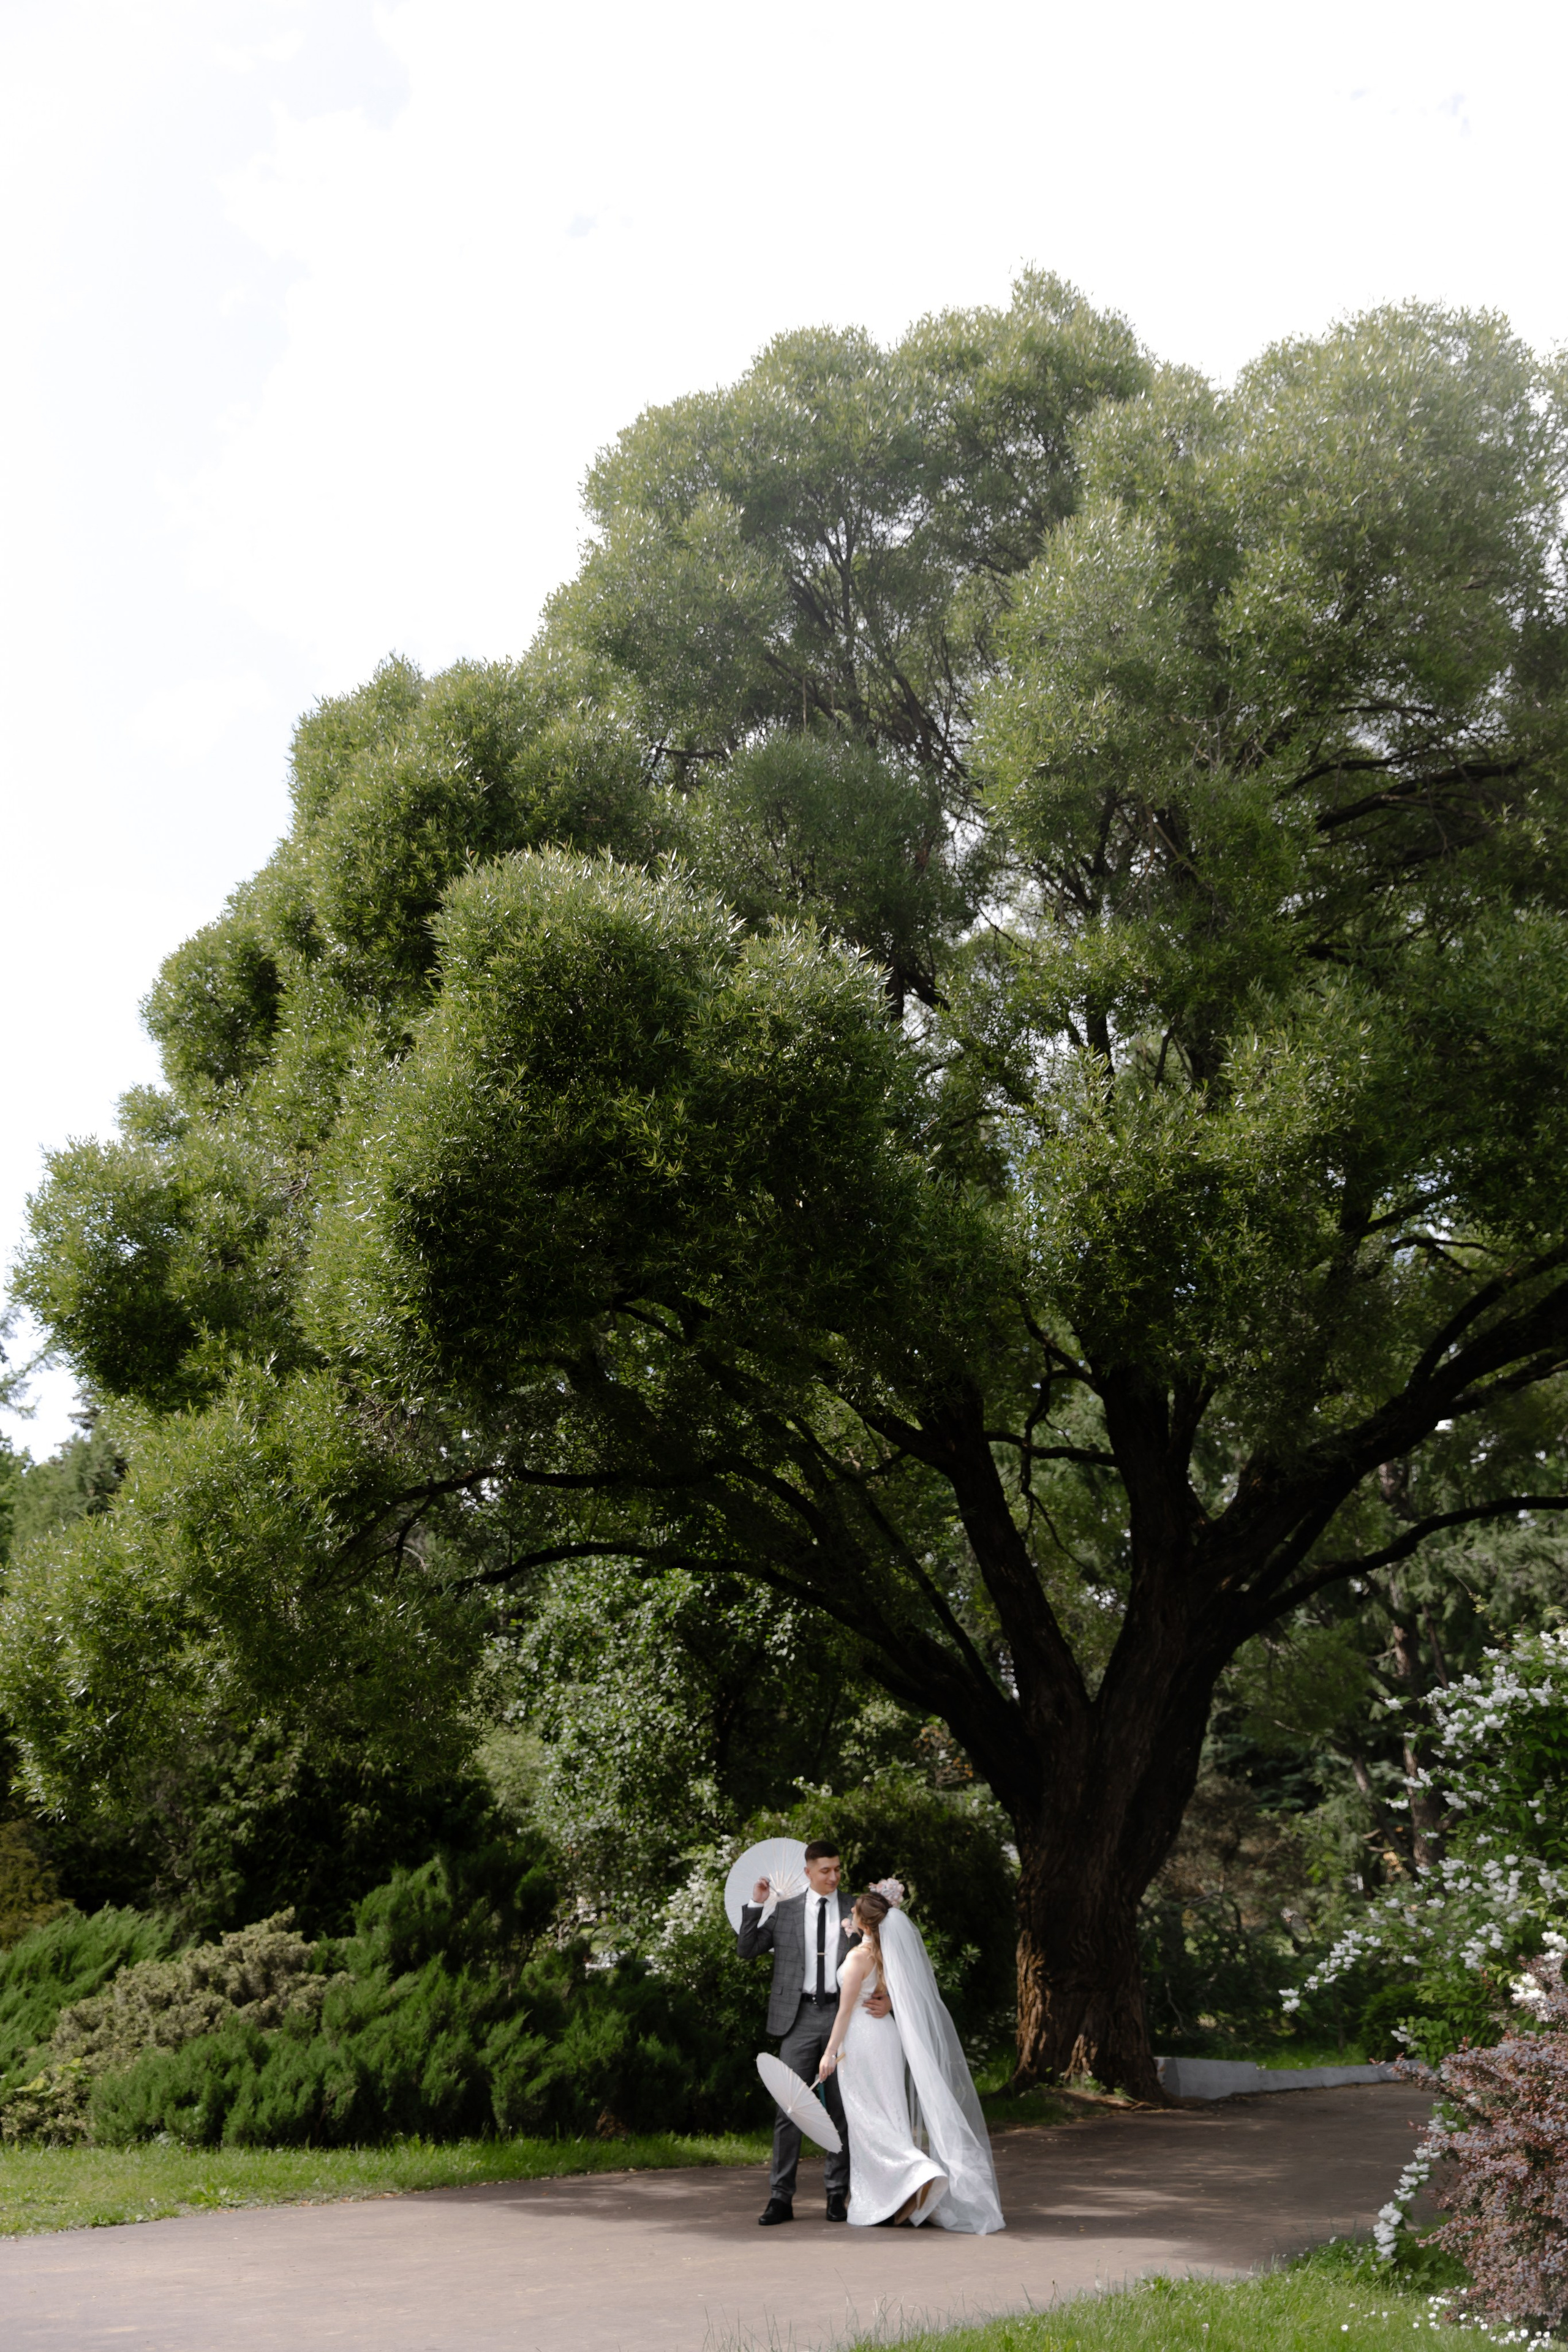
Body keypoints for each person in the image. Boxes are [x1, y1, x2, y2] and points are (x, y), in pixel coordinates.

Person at [816, 1883, 1005, 2234]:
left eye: (854, 1911)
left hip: (861, 2038)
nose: (850, 1914)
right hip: (884, 2034)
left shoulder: (859, 1957)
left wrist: (830, 2053)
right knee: (890, 2111)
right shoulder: (884, 1954)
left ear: (865, 1923)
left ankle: (918, 2171)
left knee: (867, 2116)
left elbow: (844, 2013)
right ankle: (898, 2196)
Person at [737, 1838, 887, 2226]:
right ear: (808, 1872)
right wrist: (756, 1903)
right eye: (826, 1870)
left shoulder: (856, 1908)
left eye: (838, 1869)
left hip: (847, 2019)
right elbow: (747, 1948)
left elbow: (888, 1960)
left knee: (841, 2110)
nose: (834, 1877)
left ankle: (837, 2196)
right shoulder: (785, 1912)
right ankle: (780, 2198)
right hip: (798, 2019)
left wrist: (888, 2000)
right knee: (790, 2108)